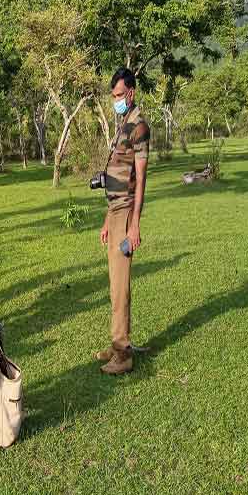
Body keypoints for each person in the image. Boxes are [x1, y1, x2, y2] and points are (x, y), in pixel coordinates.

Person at [96, 68, 150, 375]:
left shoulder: (138, 127)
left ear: (131, 92)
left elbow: (140, 178)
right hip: (114, 213)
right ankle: (116, 343)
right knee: (114, 286)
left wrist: (134, 224)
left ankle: (123, 353)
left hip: (127, 213)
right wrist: (107, 220)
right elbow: (115, 175)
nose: (115, 100)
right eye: (113, 96)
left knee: (121, 287)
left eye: (118, 95)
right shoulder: (122, 125)